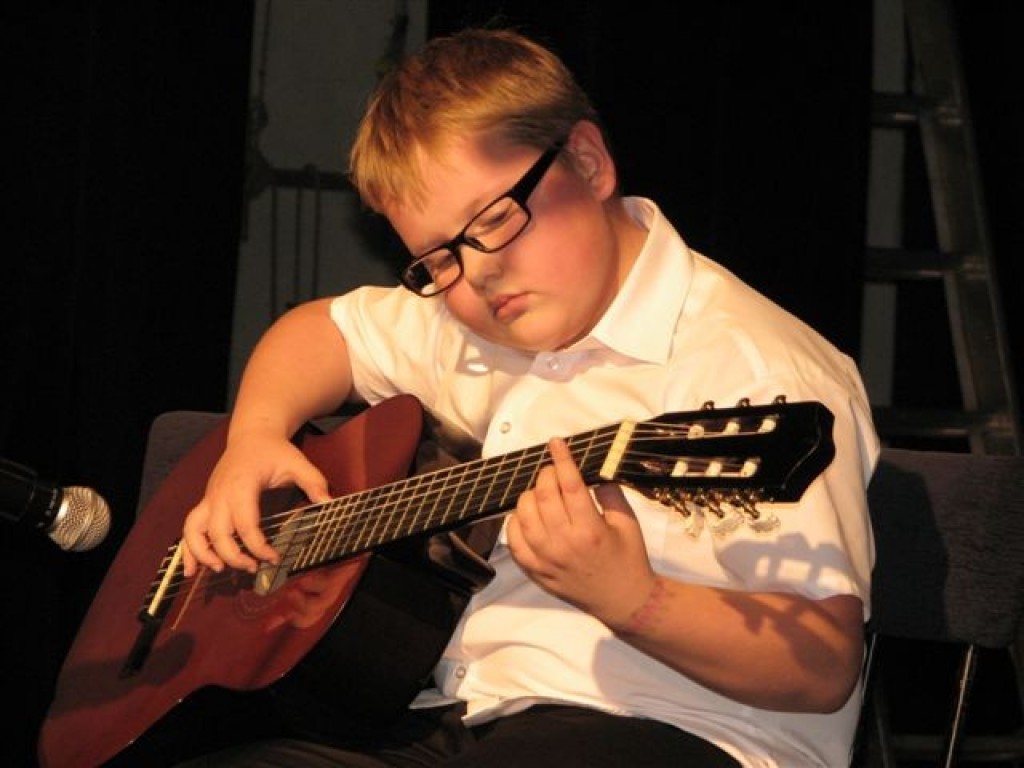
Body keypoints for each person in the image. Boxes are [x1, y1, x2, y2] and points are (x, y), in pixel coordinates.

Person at [179, 26, 878, 768]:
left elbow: (823, 665)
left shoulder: (758, 366)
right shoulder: (478, 321)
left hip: (685, 731)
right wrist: (253, 439)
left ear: (588, 162)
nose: (477, 273)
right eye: (436, 259)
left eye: (494, 220)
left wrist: (634, 599)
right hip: (456, 720)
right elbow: (320, 332)